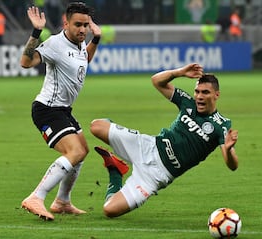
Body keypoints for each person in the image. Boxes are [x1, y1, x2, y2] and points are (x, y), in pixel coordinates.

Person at [90, 63, 239, 218]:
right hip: (147, 146)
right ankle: (118, 143)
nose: (199, 96)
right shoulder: (188, 102)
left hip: (156, 176)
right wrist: (179, 72)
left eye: (205, 92)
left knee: (109, 210)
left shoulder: (221, 124)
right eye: (197, 91)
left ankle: (116, 172)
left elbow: (232, 166)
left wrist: (228, 149)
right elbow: (156, 81)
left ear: (217, 95)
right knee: (96, 126)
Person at [20, 2, 101, 221]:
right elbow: (26, 62)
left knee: (82, 151)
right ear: (66, 22)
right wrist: (36, 31)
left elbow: (84, 60)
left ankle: (62, 201)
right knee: (74, 152)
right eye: (77, 25)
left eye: (85, 25)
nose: (82, 29)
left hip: (63, 110)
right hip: (47, 109)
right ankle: (36, 197)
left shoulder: (81, 43)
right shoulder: (55, 43)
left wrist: (96, 39)